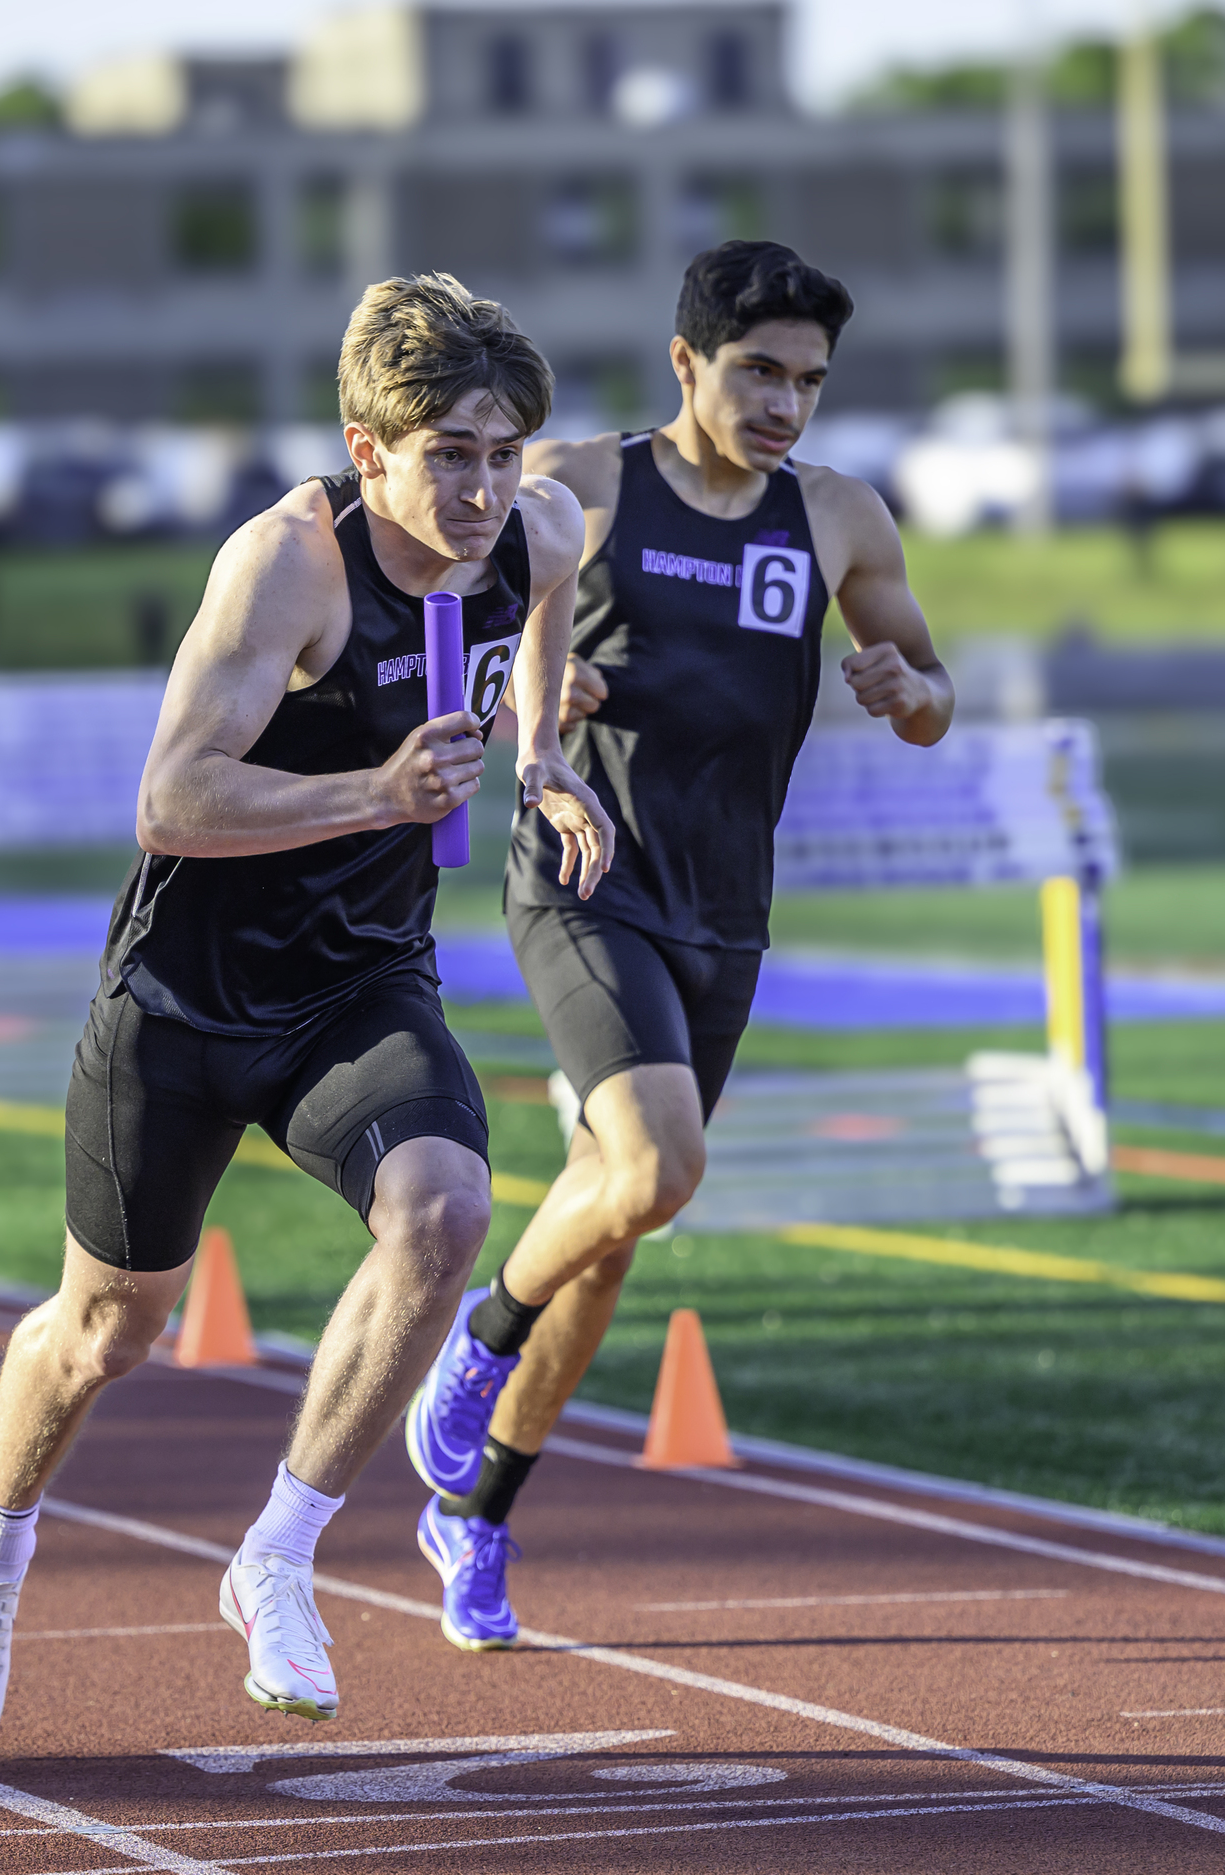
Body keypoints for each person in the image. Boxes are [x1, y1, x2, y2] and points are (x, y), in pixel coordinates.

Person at [0, 273, 613, 1747]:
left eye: (503, 454)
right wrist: (378, 789)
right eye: (451, 458)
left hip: (359, 982)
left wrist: (541, 749)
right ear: (370, 452)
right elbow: (171, 801)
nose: (487, 491)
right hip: (185, 997)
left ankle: (281, 1555)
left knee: (443, 1217)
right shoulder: (288, 566)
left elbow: (548, 599)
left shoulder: (538, 528)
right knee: (106, 1334)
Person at [405, 240, 954, 1651]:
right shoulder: (584, 484)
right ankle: (475, 1345)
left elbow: (930, 687)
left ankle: (476, 1518)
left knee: (619, 1224)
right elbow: (450, 608)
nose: (785, 403)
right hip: (588, 876)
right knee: (655, 1166)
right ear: (686, 363)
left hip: (727, 912)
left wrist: (907, 686)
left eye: (809, 381)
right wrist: (542, 674)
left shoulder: (837, 517)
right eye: (758, 372)